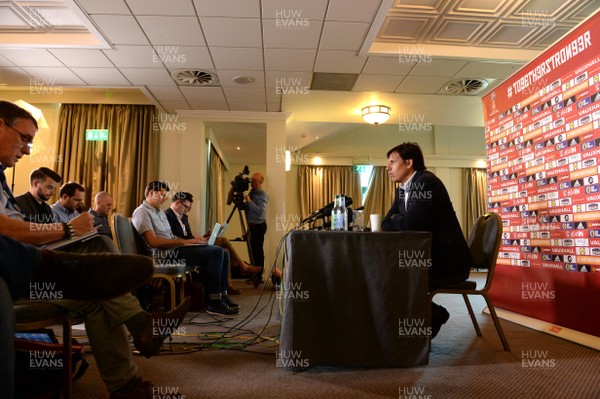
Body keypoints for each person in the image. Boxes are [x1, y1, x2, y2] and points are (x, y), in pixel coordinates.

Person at [0, 100, 189, 398]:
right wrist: (67, 230)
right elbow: (6, 231)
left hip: (24, 268)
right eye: (24, 138)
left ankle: (127, 383)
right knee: (96, 254)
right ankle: (142, 328)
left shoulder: (2, 182)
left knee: (99, 293)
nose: (26, 149)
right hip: (13, 277)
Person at [381, 142, 473, 338]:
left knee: (392, 276)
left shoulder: (426, 183)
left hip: (447, 262)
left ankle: (434, 315)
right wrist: (399, 220)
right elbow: (386, 223)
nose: (387, 167)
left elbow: (409, 226)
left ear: (409, 162)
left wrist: (398, 220)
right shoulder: (403, 190)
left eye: (392, 162)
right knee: (385, 273)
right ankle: (426, 317)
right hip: (427, 258)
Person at [132, 181, 240, 316]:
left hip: (173, 249)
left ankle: (222, 296)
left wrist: (190, 242)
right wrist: (183, 242)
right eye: (162, 195)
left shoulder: (158, 212)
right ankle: (214, 302)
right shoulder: (141, 212)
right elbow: (153, 242)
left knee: (222, 252)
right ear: (152, 193)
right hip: (164, 255)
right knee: (216, 252)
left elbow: (171, 237)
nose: (166, 198)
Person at [165, 192, 261, 294]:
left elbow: (189, 236)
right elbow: (173, 239)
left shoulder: (183, 216)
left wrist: (204, 237)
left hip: (191, 244)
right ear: (177, 203)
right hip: (182, 248)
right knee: (223, 242)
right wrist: (195, 241)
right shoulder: (167, 216)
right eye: (186, 207)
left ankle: (227, 287)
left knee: (225, 251)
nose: (187, 211)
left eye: (188, 209)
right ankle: (241, 267)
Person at [243, 172, 268, 280]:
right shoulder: (252, 192)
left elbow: (260, 211)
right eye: (251, 179)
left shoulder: (262, 194)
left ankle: (258, 276)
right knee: (253, 250)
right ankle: (254, 274)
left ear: (260, 182)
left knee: (257, 251)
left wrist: (249, 201)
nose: (251, 182)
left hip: (258, 226)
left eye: (254, 180)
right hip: (252, 225)